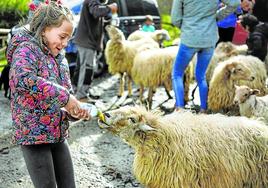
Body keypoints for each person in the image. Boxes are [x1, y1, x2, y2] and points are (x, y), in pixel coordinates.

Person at [6, 2, 90, 187]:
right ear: (44, 29)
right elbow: (22, 79)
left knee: (69, 185)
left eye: (69, 39)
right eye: (62, 36)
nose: (65, 44)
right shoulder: (26, 49)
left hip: (58, 134)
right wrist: (66, 98)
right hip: (33, 135)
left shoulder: (60, 59)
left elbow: (66, 93)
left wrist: (73, 111)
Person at [171, 0, 240, 113]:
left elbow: (175, 19)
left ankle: (180, 107)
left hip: (190, 38)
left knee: (177, 73)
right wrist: (216, 17)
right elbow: (234, 3)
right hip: (209, 38)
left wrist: (187, 26)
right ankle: (204, 109)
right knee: (201, 76)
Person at [73, 0, 118, 101]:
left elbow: (98, 15)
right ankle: (82, 95)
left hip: (85, 41)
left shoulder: (96, 2)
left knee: (81, 67)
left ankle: (77, 91)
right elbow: (96, 11)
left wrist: (108, 16)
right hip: (87, 41)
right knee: (87, 68)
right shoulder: (92, 1)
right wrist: (110, 7)